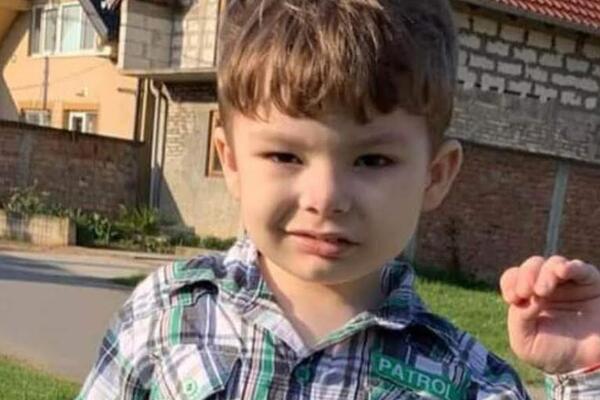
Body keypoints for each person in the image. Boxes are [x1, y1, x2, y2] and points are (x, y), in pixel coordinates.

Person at [77, 0, 600, 398]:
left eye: (372, 161)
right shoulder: (167, 314)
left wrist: (583, 370)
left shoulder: (464, 380)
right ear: (230, 160)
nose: (325, 198)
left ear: (435, 175)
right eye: (285, 155)